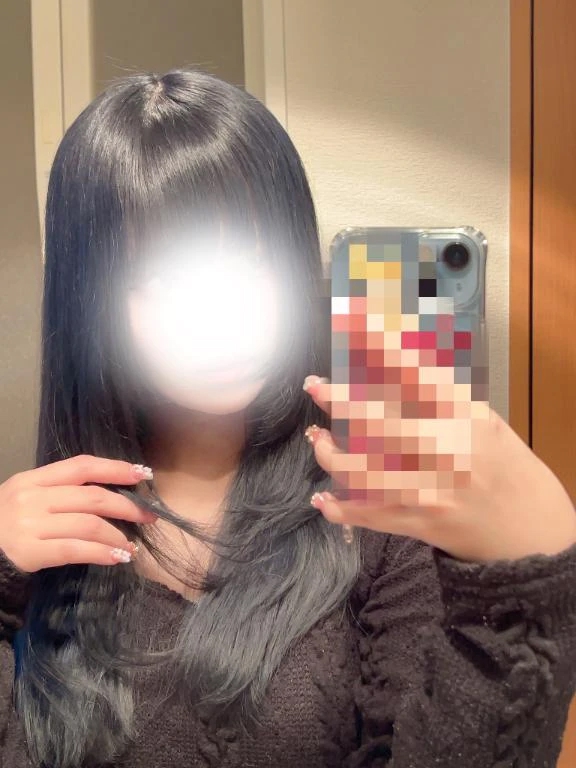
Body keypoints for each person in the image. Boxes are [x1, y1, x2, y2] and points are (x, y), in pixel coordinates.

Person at [0, 68, 575, 768]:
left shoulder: (371, 516)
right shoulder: (38, 538)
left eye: (256, 259)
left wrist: (521, 588)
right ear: (91, 304)